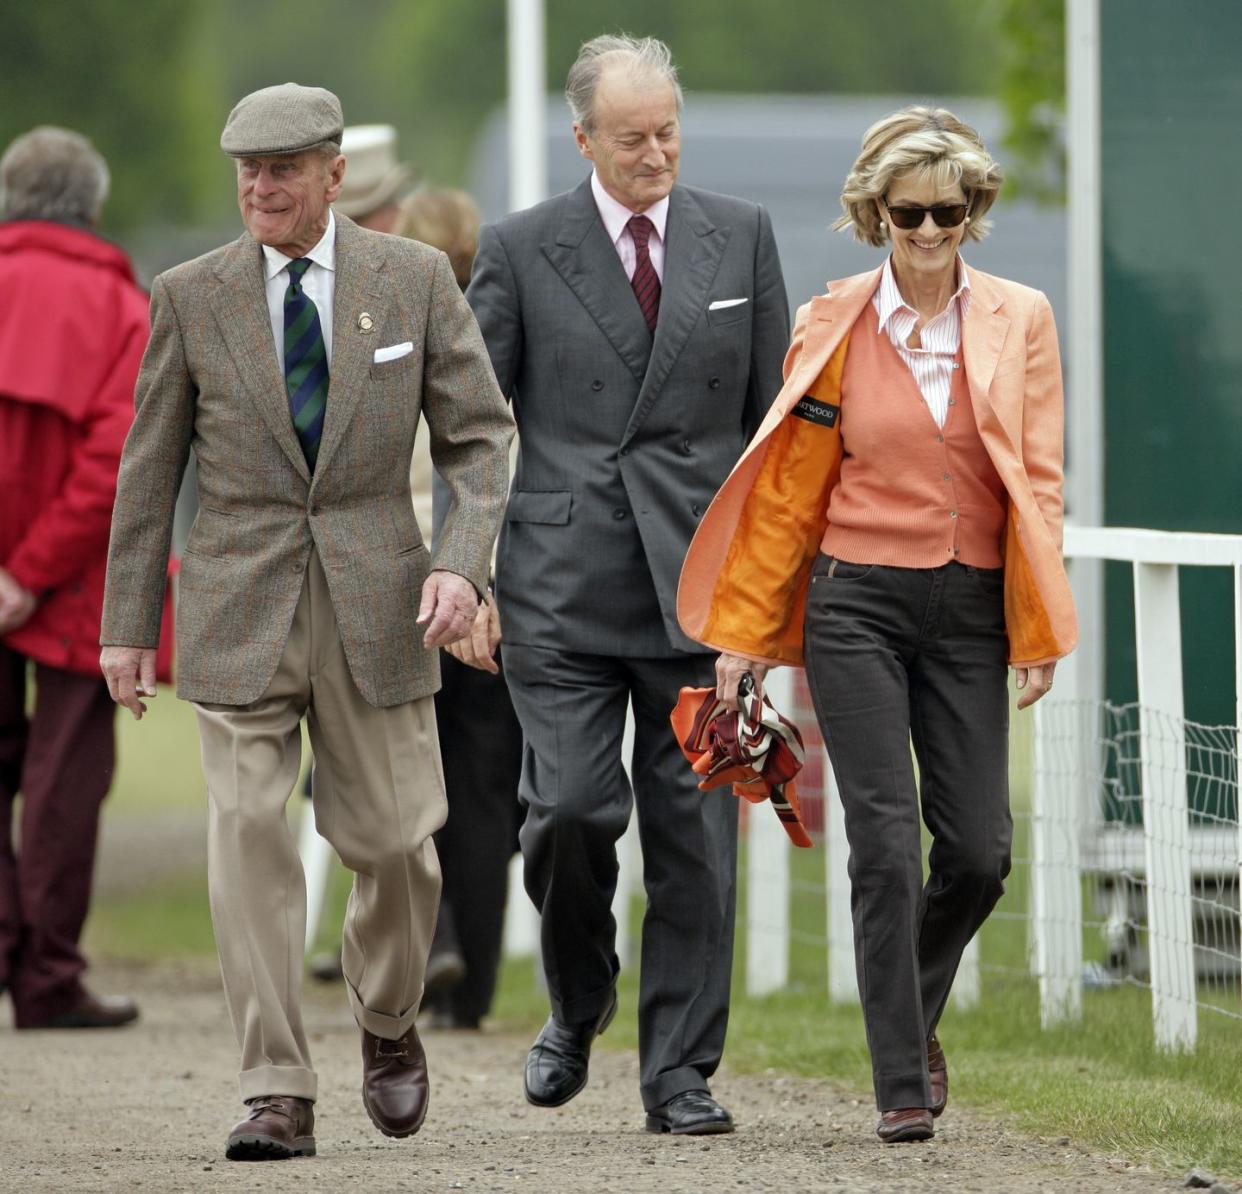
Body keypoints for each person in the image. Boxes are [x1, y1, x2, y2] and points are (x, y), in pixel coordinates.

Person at [99, 83, 514, 1161]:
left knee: (396, 846)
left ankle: (386, 1018)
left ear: (335, 176)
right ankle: (275, 1084)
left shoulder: (412, 279)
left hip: (384, 598)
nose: (260, 186)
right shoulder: (191, 295)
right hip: (240, 599)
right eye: (247, 168)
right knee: (244, 836)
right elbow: (147, 474)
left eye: (284, 169)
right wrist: (126, 625)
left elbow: (480, 438)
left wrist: (464, 567)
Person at [678, 106, 1078, 1144]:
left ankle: (911, 1005)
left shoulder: (1022, 318)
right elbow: (788, 498)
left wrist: (1039, 627)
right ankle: (900, 1079)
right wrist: (747, 638)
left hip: (973, 608)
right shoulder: (832, 325)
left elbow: (1038, 483)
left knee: (982, 851)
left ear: (974, 211)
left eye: (951, 211)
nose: (933, 233)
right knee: (886, 849)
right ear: (877, 214)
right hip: (855, 602)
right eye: (911, 214)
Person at [467, 34, 788, 1134]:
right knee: (565, 813)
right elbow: (471, 431)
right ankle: (578, 998)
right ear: (583, 140)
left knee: (696, 841)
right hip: (559, 588)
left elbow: (770, 435)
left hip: (701, 595)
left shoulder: (739, 239)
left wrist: (763, 597)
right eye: (632, 137)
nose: (657, 153)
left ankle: (680, 1074)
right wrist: (465, 573)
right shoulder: (518, 248)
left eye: (668, 132)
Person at [0, 127, 157, 1031]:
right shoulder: (119, 308)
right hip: (75, 586)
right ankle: (47, 980)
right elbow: (116, 462)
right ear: (90, 206)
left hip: (27, 571)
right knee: (64, 782)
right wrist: (28, 575)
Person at [405, 186, 524, 1031]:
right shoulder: (503, 351)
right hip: (491, 592)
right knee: (484, 791)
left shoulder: (385, 342)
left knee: (398, 779)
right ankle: (471, 989)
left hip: (399, 591)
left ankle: (430, 932)